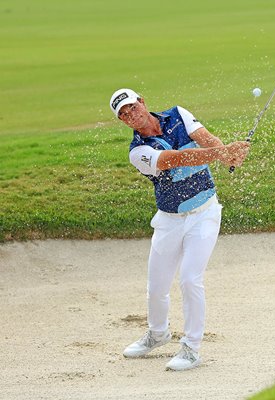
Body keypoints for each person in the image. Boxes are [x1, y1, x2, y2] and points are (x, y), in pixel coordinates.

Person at [109, 88, 250, 371]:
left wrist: (227, 155)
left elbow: (206, 140)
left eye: (132, 107)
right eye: (123, 114)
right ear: (123, 121)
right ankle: (158, 334)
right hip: (169, 220)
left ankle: (191, 348)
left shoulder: (178, 114)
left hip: (205, 213)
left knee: (189, 279)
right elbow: (176, 159)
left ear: (142, 102)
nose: (130, 114)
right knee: (157, 287)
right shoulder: (138, 152)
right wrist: (223, 153)